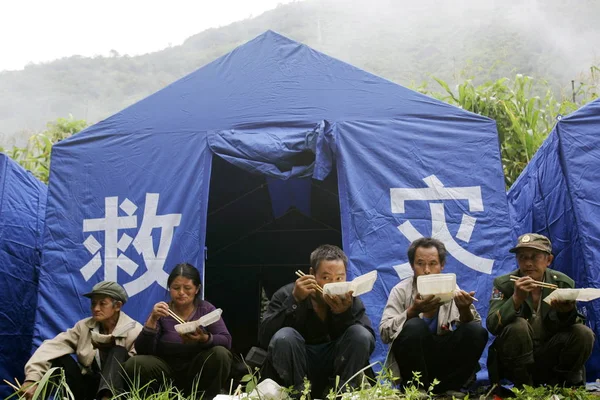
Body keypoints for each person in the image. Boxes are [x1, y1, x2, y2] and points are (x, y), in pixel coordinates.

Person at [258, 244, 375, 397]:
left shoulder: (349, 300)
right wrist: (294, 301)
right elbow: (264, 338)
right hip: (297, 365)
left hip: (335, 366)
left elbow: (367, 342)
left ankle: (342, 394)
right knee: (285, 335)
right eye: (326, 278)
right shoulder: (288, 294)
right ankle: (298, 396)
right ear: (312, 273)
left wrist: (343, 314)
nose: (333, 284)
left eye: (339, 278)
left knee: (360, 333)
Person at [380, 238, 488, 397]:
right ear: (412, 266)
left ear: (442, 265)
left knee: (476, 331)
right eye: (420, 263)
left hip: (444, 365)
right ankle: (416, 389)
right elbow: (384, 332)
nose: (426, 270)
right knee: (414, 325)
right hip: (414, 364)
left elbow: (472, 330)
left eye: (432, 263)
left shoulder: (452, 289)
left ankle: (449, 389)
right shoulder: (401, 290)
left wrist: (464, 309)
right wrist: (412, 311)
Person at [487, 233, 595, 388]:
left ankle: (563, 383)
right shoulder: (504, 284)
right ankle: (524, 387)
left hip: (548, 356)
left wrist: (566, 313)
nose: (528, 263)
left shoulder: (562, 283)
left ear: (548, 260)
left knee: (584, 333)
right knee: (518, 326)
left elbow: (574, 326)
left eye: (535, 257)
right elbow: (492, 325)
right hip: (514, 363)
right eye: (522, 257)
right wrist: (516, 299)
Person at [124, 263, 232, 399]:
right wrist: (152, 320)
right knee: (136, 363)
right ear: (169, 289)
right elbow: (143, 350)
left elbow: (226, 340)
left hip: (197, 372)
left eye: (187, 288)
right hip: (166, 371)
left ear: (197, 289)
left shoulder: (206, 309)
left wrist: (203, 338)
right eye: (176, 288)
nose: (181, 293)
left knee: (220, 354)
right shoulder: (162, 311)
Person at [21, 281, 142, 400]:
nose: (96, 308)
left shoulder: (134, 330)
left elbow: (134, 371)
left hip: (119, 391)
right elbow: (52, 346)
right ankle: (34, 397)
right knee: (58, 359)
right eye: (93, 303)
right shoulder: (83, 326)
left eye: (102, 304)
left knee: (118, 352)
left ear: (118, 306)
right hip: (86, 387)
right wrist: (32, 379)